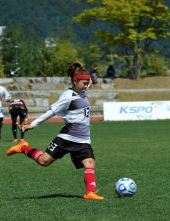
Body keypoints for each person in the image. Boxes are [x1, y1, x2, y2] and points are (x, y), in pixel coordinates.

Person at [6, 61, 104, 200]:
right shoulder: (68, 96)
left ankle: (89, 193)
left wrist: (81, 70)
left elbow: (87, 83)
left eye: (87, 83)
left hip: (83, 139)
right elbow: (51, 112)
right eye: (84, 83)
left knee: (90, 163)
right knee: (44, 161)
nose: (87, 86)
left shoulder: (82, 90)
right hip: (67, 137)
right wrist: (32, 125)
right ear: (75, 82)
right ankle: (23, 148)